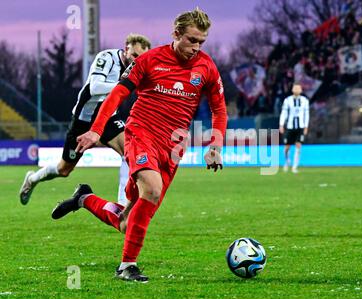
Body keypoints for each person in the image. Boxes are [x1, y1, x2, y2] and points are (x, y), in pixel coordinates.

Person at [51, 8, 227, 282]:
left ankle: (84, 198)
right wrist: (97, 131)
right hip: (142, 133)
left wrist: (215, 144)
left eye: (201, 42)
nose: (196, 47)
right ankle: (127, 266)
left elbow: (219, 108)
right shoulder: (150, 59)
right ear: (176, 34)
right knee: (152, 190)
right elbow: (118, 94)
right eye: (192, 40)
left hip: (173, 147)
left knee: (126, 221)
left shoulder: (206, 66)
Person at [19, 34, 151, 207]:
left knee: (129, 152)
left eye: (140, 58)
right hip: (84, 120)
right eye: (134, 56)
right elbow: (95, 87)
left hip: (109, 118)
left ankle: (122, 207)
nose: (136, 62)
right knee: (64, 169)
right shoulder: (107, 58)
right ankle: (33, 178)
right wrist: (127, 85)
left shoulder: (136, 70)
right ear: (126, 49)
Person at [279, 83, 309, 174]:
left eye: (298, 88)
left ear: (301, 90)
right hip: (290, 127)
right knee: (286, 147)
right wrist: (281, 125)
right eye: (295, 88)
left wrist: (306, 126)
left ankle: (294, 167)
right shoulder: (287, 100)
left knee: (298, 145)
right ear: (292, 90)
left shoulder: (305, 101)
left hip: (300, 127)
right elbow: (284, 113)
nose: (296, 90)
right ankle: (287, 161)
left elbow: (306, 114)